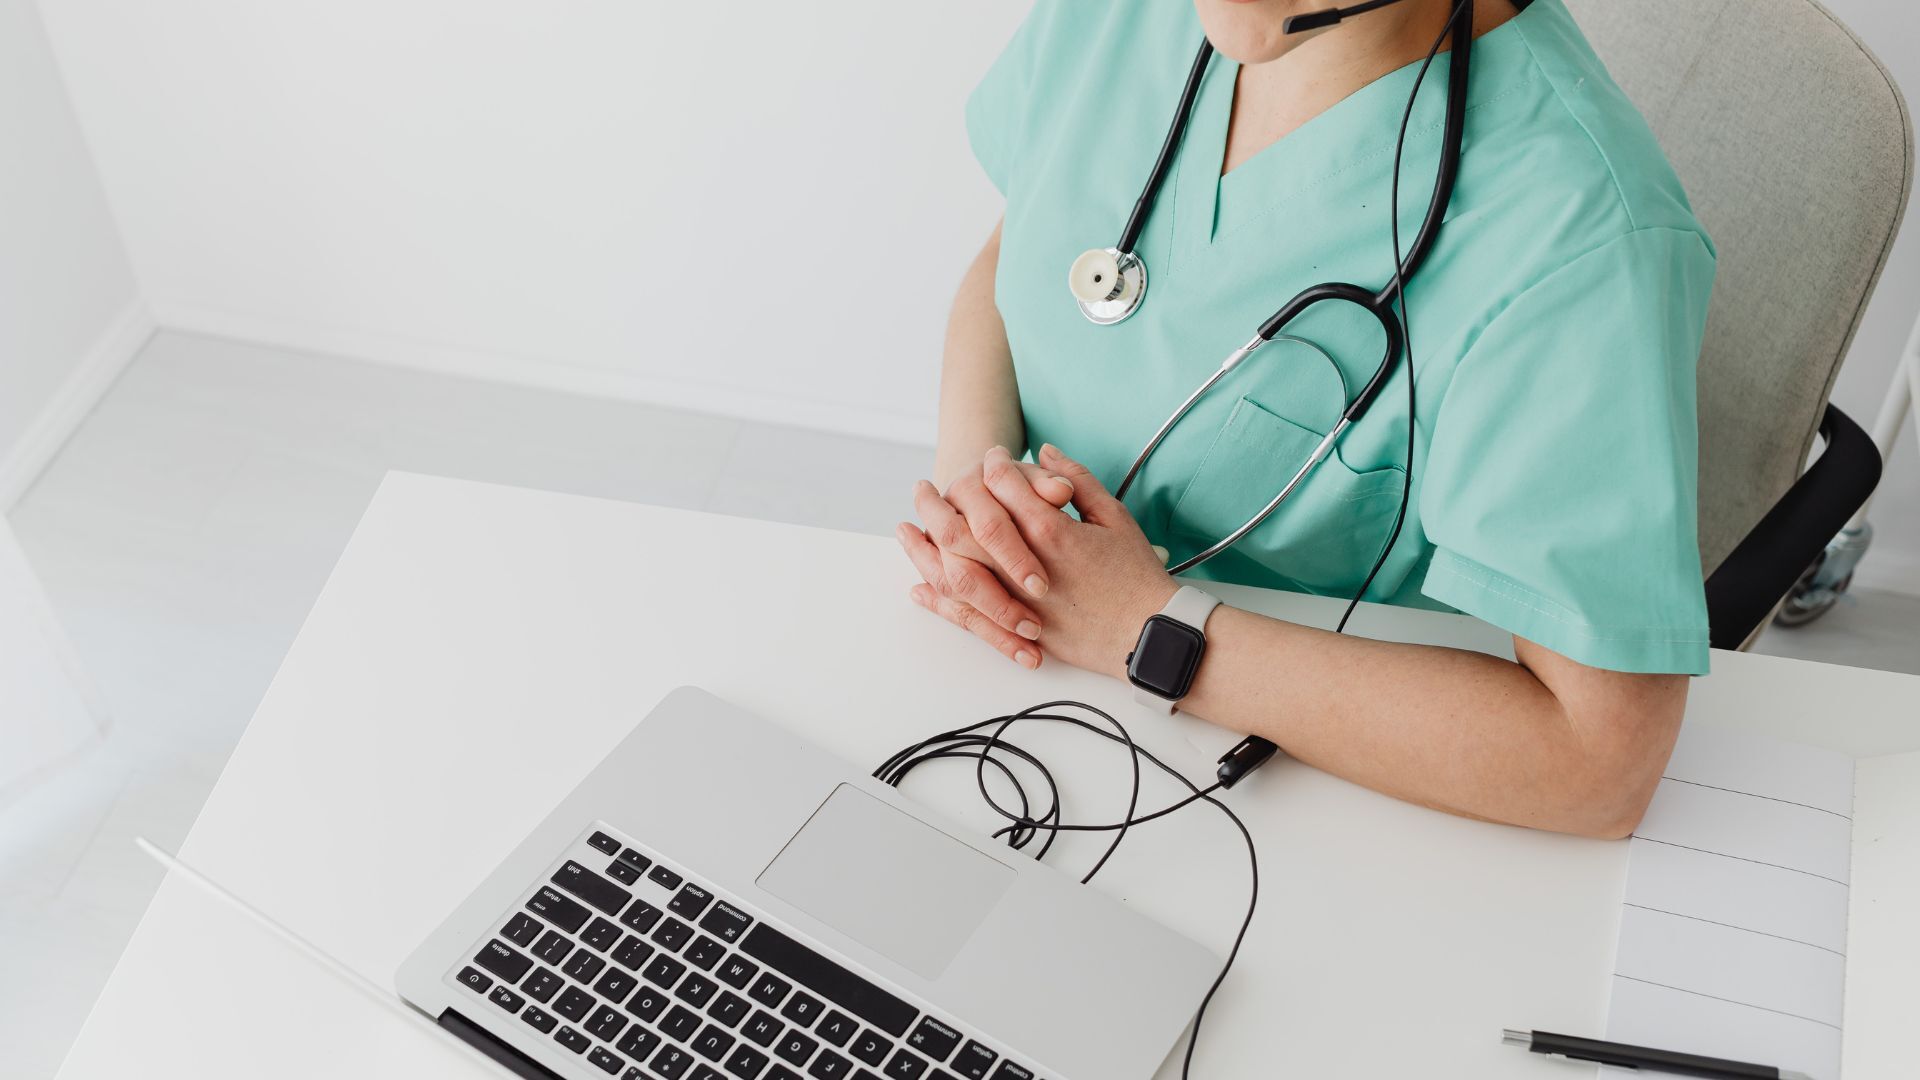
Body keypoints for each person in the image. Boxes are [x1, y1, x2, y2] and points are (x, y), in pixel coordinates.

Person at [895, 0, 1717, 838]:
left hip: (1303, 793)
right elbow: (1016, 250)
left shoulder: (1583, 241)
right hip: (1013, 692)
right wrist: (981, 490)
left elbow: (1599, 763)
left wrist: (1149, 632)